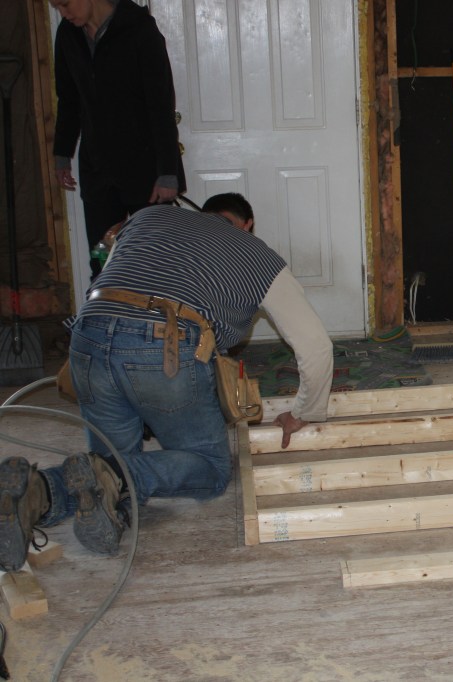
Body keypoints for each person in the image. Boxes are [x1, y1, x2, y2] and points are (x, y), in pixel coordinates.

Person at [0, 194, 334, 570]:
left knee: (109, 464)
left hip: (87, 337)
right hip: (163, 346)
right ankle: (109, 478)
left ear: (201, 213)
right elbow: (316, 346)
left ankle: (38, 491)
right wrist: (304, 412)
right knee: (209, 467)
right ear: (247, 225)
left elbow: (110, 279)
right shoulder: (259, 255)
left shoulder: (147, 217)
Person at [50, 0, 186, 276]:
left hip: (146, 172)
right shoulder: (67, 34)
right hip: (97, 171)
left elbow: (160, 103)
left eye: (65, 4)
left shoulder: (139, 28)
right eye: (57, 8)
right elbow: (68, 99)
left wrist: (168, 173)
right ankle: (102, 305)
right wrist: (62, 154)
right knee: (102, 262)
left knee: (156, 263)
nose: (64, 14)